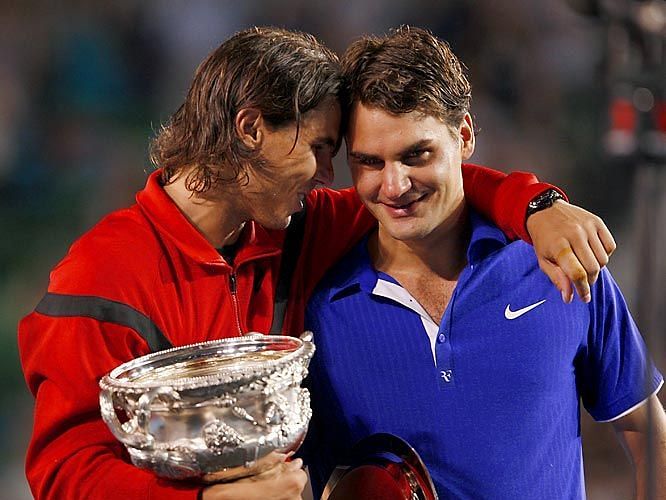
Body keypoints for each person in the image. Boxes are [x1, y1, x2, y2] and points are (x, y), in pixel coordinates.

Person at [19, 27, 616, 500]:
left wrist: (537, 205)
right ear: (252, 129)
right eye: (319, 150)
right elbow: (63, 473)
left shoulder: (296, 226)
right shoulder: (98, 279)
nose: (335, 179)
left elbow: (434, 186)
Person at [303, 26, 665, 499]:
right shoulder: (318, 310)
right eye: (368, 162)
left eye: (417, 155)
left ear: (465, 136)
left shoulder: (559, 266)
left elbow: (650, 435)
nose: (393, 187)